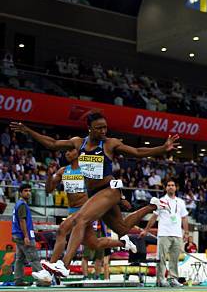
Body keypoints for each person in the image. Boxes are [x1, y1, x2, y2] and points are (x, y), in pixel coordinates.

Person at [10, 113, 175, 277]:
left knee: (79, 219)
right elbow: (53, 143)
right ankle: (153, 205)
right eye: (99, 128)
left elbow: (137, 151)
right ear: (89, 129)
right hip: (94, 193)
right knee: (122, 228)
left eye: (105, 127)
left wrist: (162, 148)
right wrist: (28, 131)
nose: (103, 131)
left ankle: (63, 265)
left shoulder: (110, 144)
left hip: (109, 190)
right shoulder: (78, 143)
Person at [33, 148, 137, 283]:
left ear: (78, 153)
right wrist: (49, 175)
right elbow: (48, 189)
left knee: (62, 230)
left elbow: (109, 183)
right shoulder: (63, 171)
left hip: (86, 211)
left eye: (70, 151)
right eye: (66, 152)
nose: (67, 153)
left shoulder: (87, 170)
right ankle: (124, 243)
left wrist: (121, 198)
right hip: (72, 211)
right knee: (93, 243)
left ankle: (49, 272)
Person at [141, 179, 188, 287]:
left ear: (176, 188)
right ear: (166, 188)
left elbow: (184, 218)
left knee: (174, 258)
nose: (171, 187)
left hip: (177, 234)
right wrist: (146, 230)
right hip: (164, 233)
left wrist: (186, 233)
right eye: (168, 185)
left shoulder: (180, 202)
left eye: (173, 185)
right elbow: (154, 217)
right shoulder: (161, 201)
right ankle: (161, 279)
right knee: (161, 257)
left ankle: (173, 278)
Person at [12, 184, 46, 285]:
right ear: (21, 193)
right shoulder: (22, 204)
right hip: (23, 236)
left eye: (29, 190)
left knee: (19, 258)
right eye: (26, 191)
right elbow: (22, 221)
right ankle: (42, 280)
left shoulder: (18, 204)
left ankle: (18, 280)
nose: (28, 193)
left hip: (17, 234)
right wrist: (26, 236)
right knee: (34, 258)